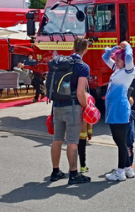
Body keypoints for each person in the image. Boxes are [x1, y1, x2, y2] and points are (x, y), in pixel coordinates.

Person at [49, 37, 91, 185]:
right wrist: (86, 108)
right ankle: (73, 174)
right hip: (72, 107)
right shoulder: (82, 66)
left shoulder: (62, 62)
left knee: (57, 139)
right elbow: (80, 92)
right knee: (73, 141)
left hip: (57, 106)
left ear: (73, 47)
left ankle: (55, 171)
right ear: (85, 49)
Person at [102, 41, 135, 181]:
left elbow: (129, 58)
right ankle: (128, 169)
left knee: (120, 142)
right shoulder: (118, 69)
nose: (115, 62)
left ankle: (120, 172)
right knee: (120, 141)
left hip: (119, 109)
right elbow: (105, 59)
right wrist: (110, 51)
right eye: (115, 60)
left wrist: (128, 46)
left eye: (118, 60)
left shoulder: (128, 70)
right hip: (115, 109)